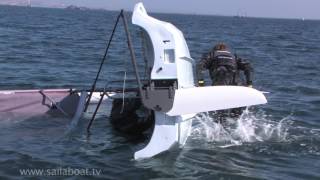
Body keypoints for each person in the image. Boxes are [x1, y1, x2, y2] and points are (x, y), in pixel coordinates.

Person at [196, 43, 253, 118]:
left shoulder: (211, 55)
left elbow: (199, 67)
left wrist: (201, 84)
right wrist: (249, 84)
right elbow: (249, 67)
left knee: (219, 116)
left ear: (215, 49)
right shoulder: (234, 56)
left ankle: (219, 125)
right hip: (238, 85)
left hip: (221, 83)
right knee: (236, 116)